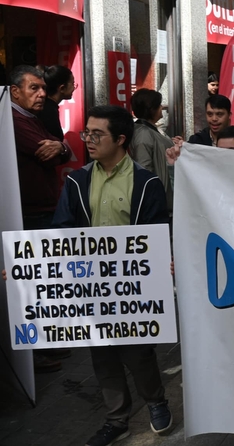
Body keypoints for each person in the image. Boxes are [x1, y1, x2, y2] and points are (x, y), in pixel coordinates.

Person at [51, 105, 173, 446]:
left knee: (138, 352)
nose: (87, 140)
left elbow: (156, 233)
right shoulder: (76, 180)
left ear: (120, 139)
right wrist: (25, 271)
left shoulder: (146, 184)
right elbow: (59, 234)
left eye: (96, 134)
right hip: (90, 288)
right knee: (101, 353)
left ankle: (156, 402)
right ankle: (116, 417)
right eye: (86, 133)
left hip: (132, 288)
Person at [10, 64, 74, 372]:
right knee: (35, 285)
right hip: (31, 214)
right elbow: (45, 152)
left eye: (42, 88)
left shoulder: (32, 118)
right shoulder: (12, 119)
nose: (41, 94)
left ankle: (46, 345)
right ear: (14, 92)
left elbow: (62, 150)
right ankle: (36, 350)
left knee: (46, 282)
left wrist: (61, 146)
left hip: (43, 209)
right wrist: (59, 148)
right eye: (33, 88)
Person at [131, 89, 175, 210]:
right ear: (152, 109)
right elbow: (144, 168)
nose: (162, 107)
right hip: (157, 202)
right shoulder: (143, 134)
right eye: (159, 105)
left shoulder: (147, 130)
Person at [41, 64, 75, 141]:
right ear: (62, 88)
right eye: (73, 83)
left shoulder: (47, 106)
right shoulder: (49, 111)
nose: (74, 88)